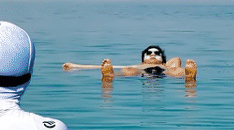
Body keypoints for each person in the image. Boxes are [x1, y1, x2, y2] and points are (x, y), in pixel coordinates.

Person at [63, 45, 197, 80]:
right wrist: (75, 66)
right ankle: (109, 76)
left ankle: (189, 76)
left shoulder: (167, 66)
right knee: (128, 70)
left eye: (157, 53)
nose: (152, 55)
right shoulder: (138, 66)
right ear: (143, 58)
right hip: (141, 72)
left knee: (176, 71)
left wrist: (164, 64)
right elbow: (95, 67)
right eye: (149, 53)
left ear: (163, 58)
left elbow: (176, 60)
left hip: (164, 72)